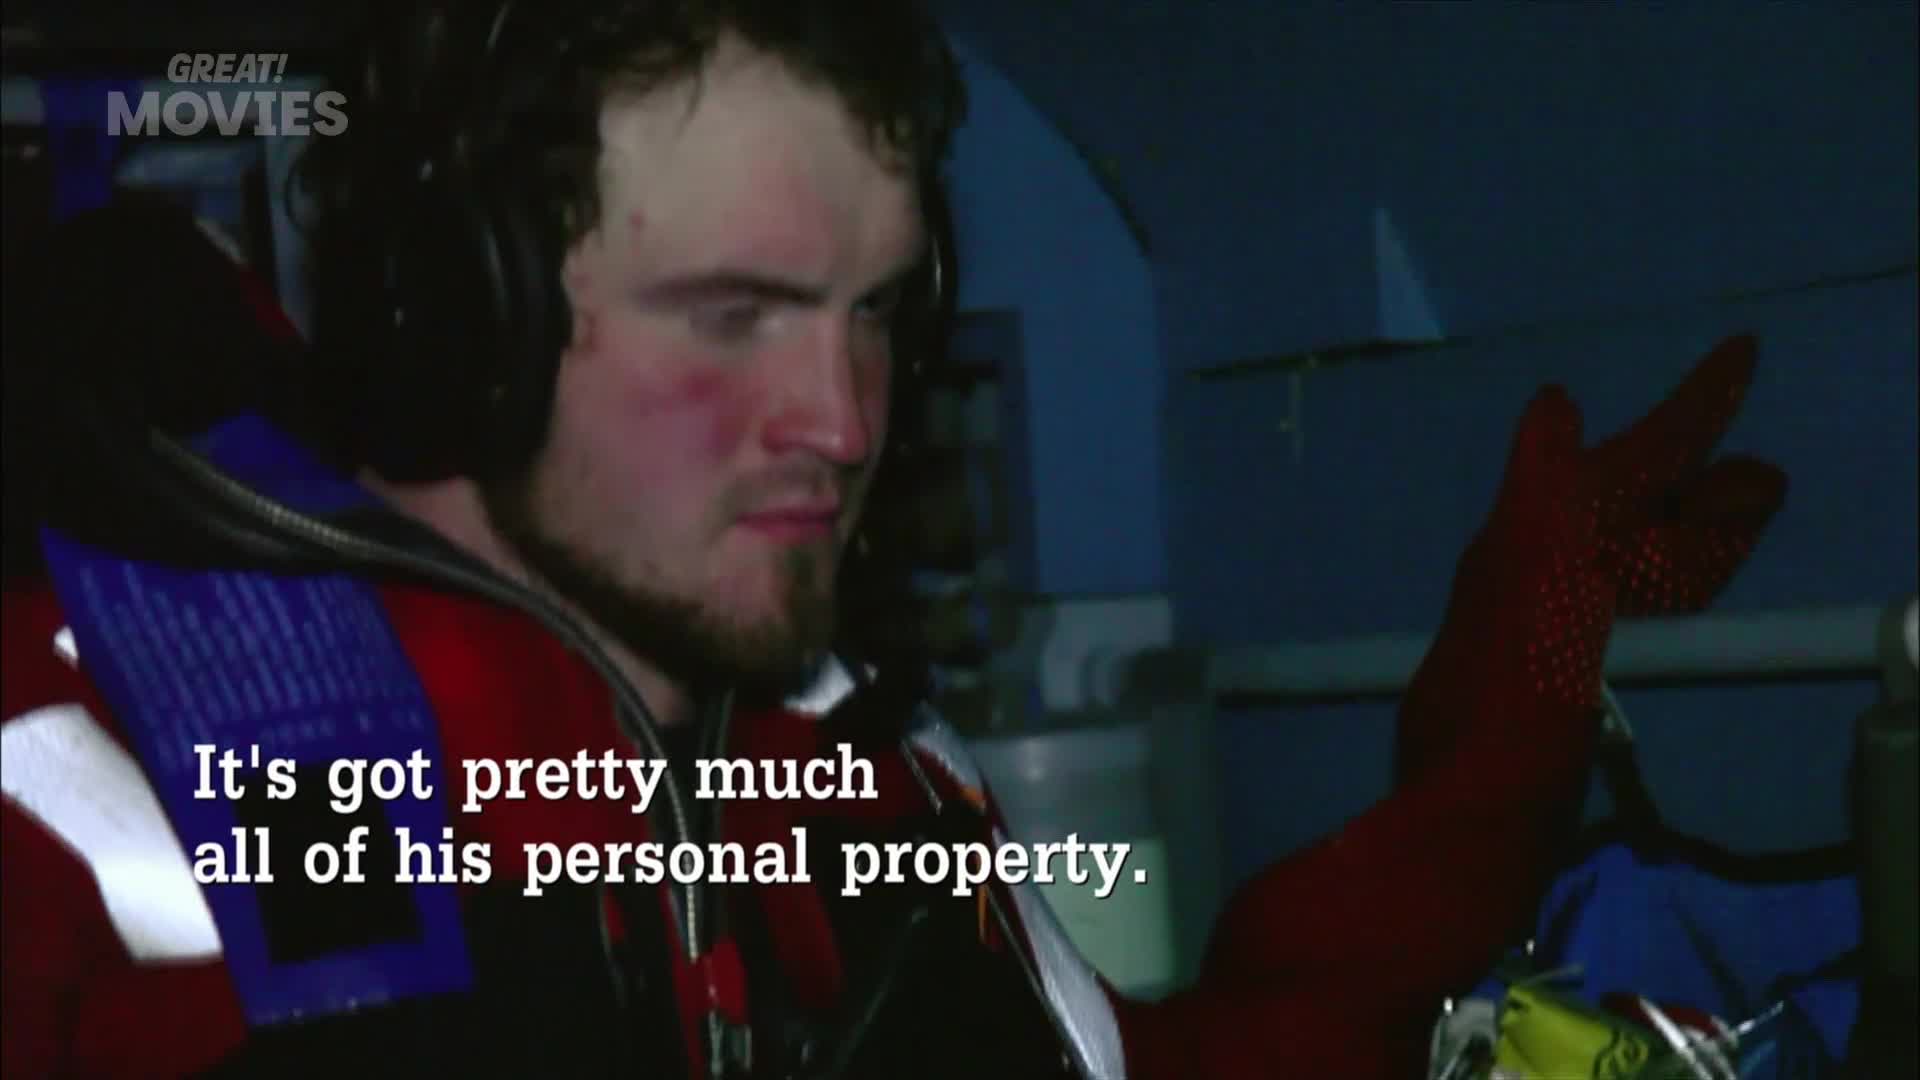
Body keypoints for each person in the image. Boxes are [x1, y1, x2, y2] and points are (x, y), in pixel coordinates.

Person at [0, 2, 1789, 1077]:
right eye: (735, 315)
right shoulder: (113, 771)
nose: (845, 422)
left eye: (873, 316)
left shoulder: (857, 780)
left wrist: (1517, 709)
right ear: (470, 325)